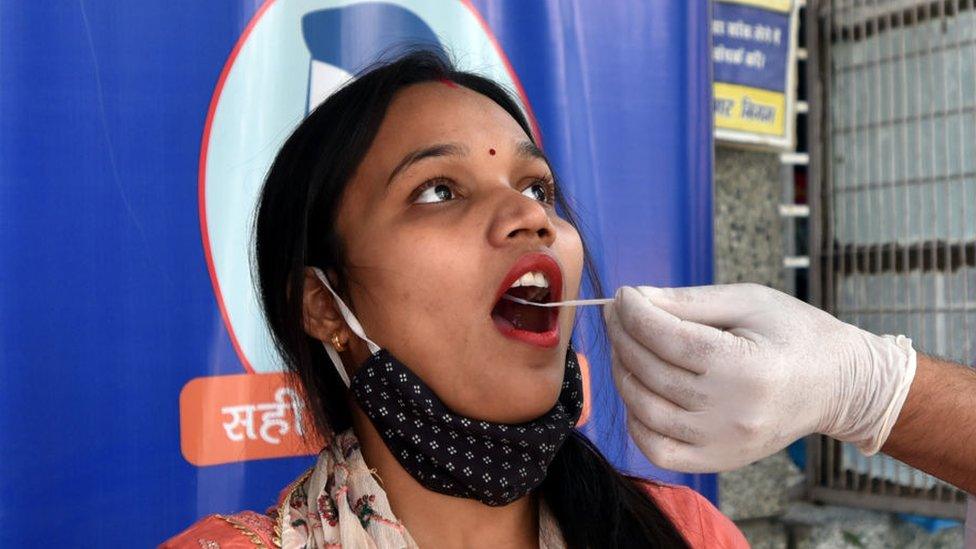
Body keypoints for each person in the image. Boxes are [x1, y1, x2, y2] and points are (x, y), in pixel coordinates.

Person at [163, 50, 747, 548]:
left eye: (536, 186)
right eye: (439, 190)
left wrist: (843, 401)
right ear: (322, 303)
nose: (530, 216)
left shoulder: (687, 533)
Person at [604, 283, 976, 495]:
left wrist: (863, 388)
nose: (542, 219)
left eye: (544, 190)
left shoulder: (688, 528)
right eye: (539, 191)